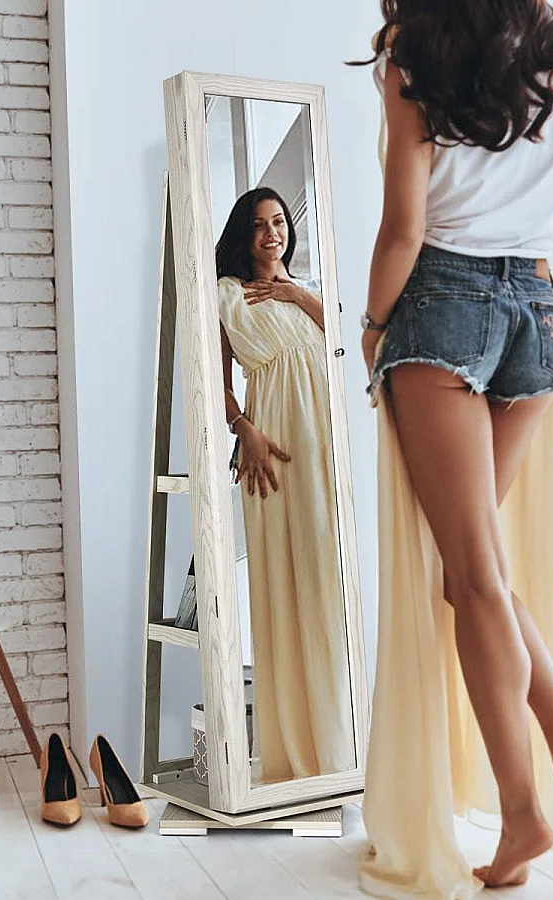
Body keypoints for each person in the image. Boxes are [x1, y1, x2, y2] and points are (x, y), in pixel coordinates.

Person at [355, 1, 553, 892]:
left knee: (470, 578)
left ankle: (524, 809)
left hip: (444, 303)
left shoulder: (413, 49)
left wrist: (372, 325)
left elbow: (404, 226)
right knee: (479, 571)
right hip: (537, 305)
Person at [214, 187, 356, 782]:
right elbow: (210, 382)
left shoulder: (307, 295)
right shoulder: (227, 295)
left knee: (328, 586)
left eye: (278, 222)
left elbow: (347, 344)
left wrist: (299, 293)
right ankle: (297, 753)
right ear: (242, 237)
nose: (271, 234)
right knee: (284, 586)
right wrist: (242, 427)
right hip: (272, 449)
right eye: (257, 226)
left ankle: (339, 751)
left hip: (325, 448)